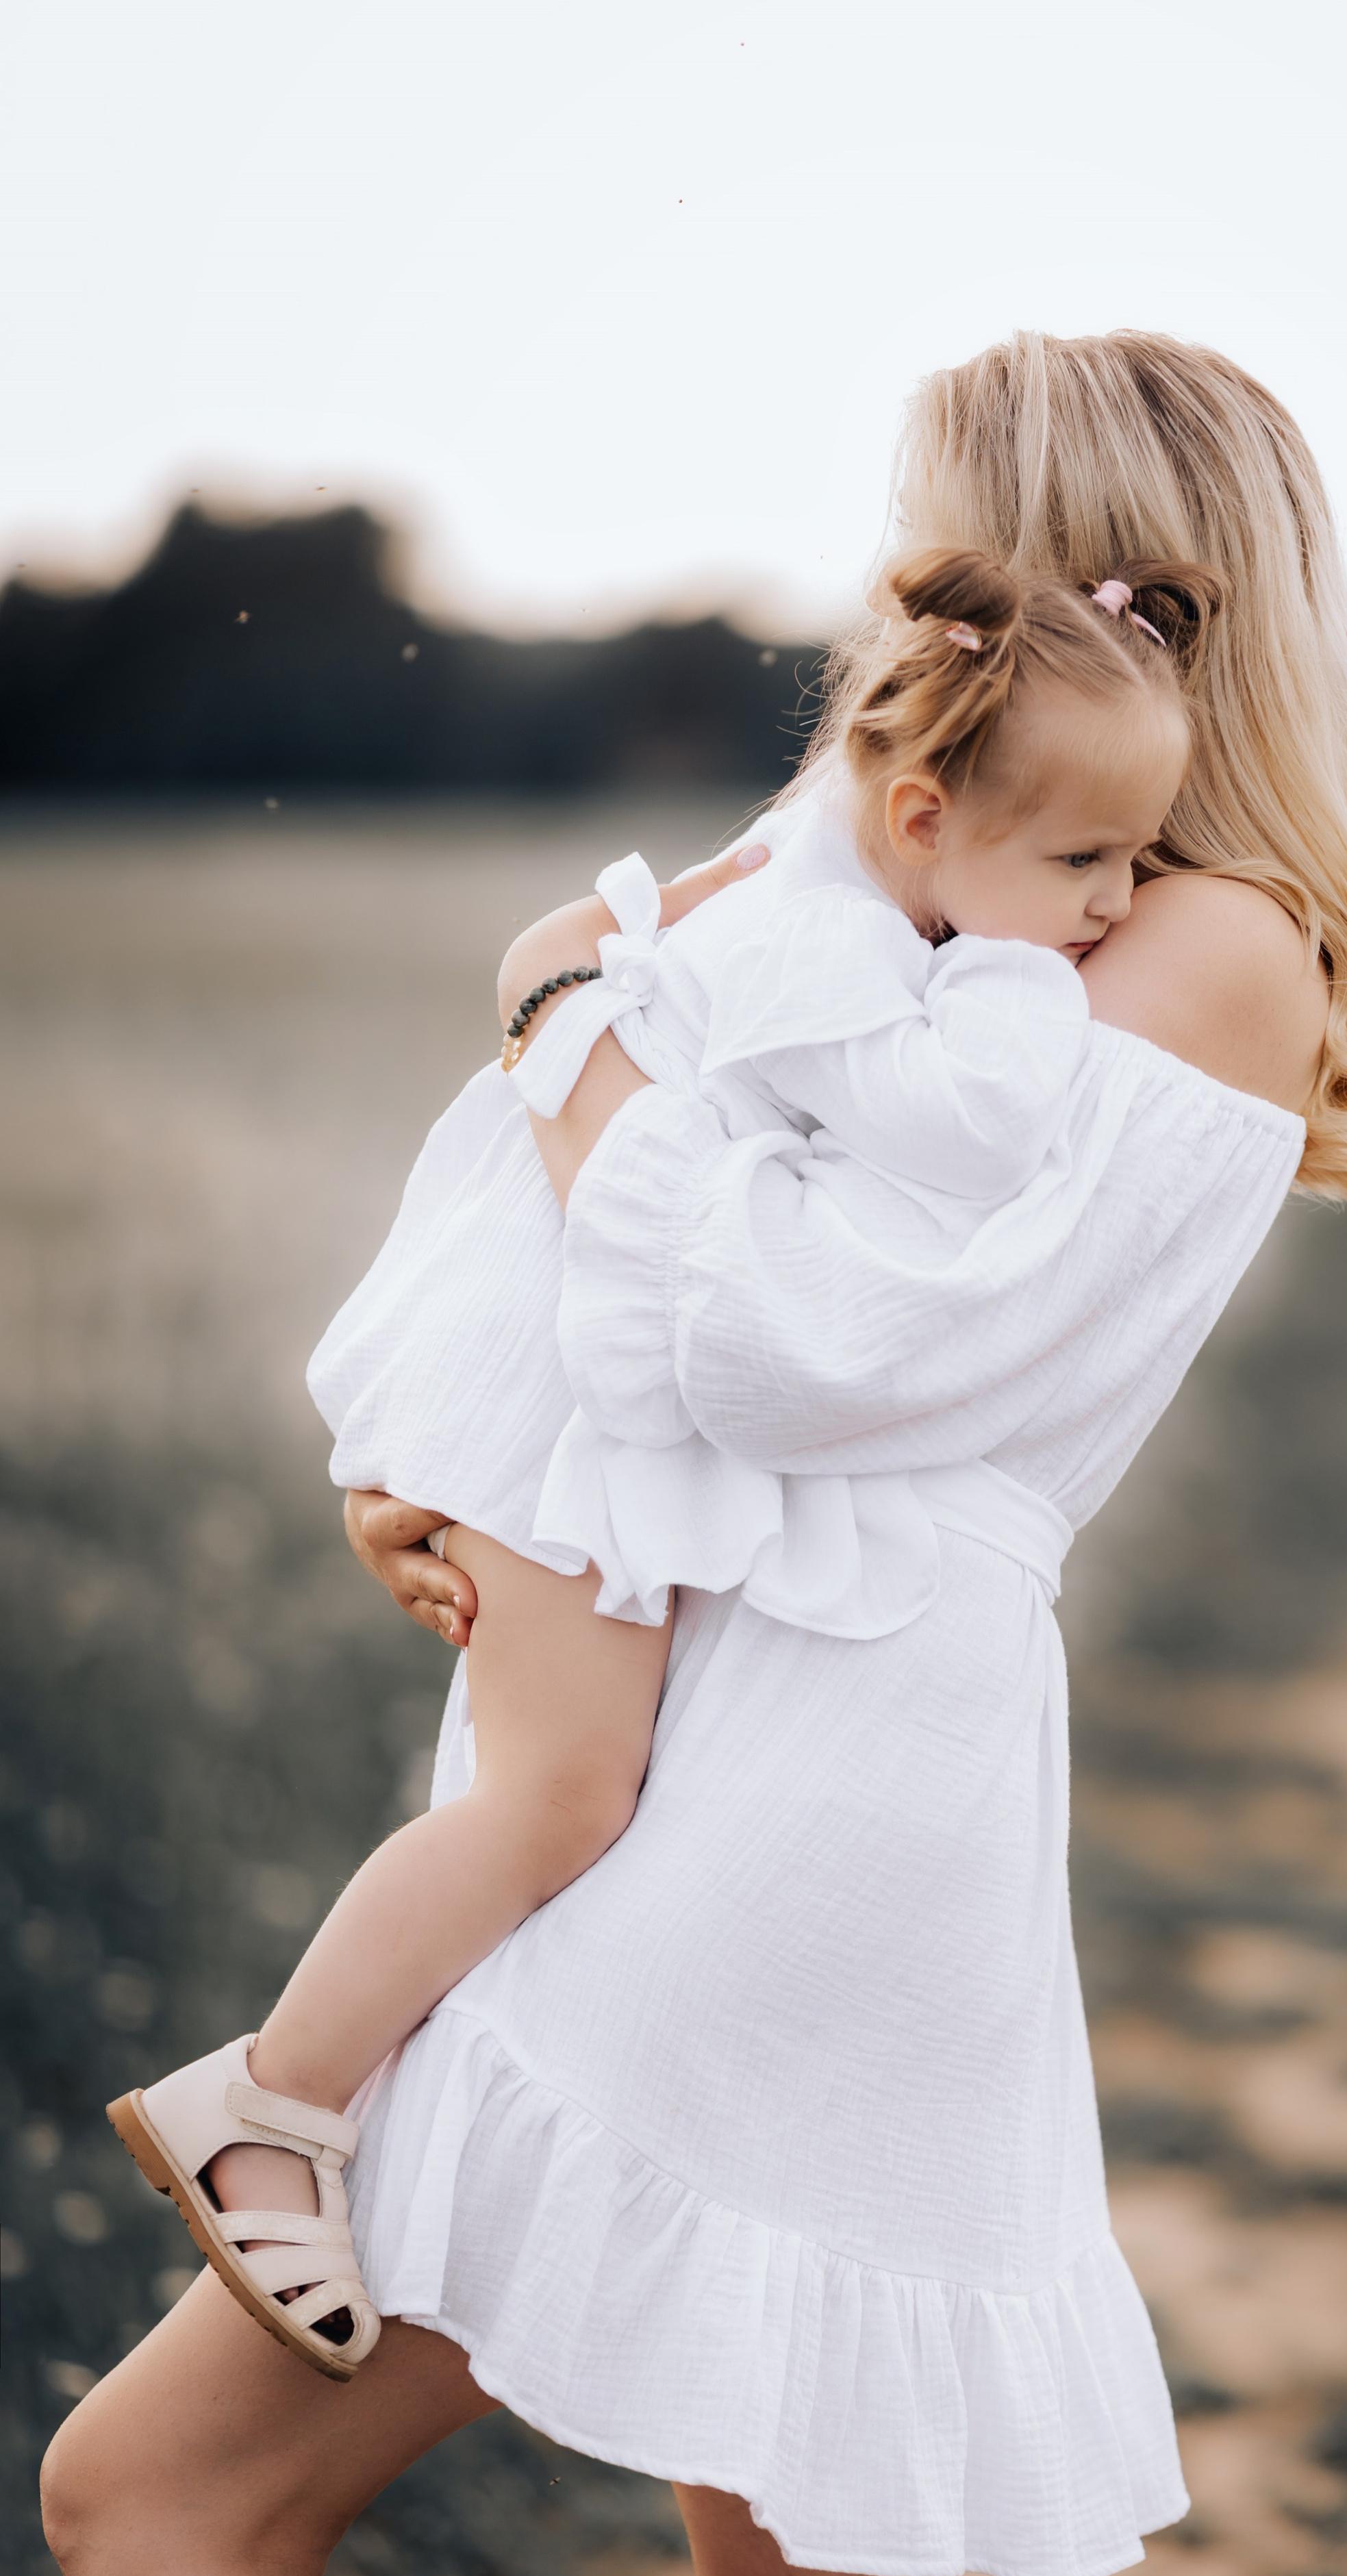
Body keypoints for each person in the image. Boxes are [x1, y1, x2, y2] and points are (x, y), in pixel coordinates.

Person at [44, 329, 1347, 2576]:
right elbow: (656, 1120)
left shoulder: (1194, 941)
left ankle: (269, 2099)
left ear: (1088, 577)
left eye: (941, 547)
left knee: (162, 2504)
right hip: (744, 1722)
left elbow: (788, 1340)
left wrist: (559, 1031)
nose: (899, 603)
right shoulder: (937, 882)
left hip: (797, 1785)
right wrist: (460, 1454)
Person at [104, 547, 1212, 2379]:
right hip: (559, 1401)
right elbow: (960, 1131)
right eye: (1088, 859)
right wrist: (1010, 990)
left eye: (1139, 860)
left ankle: (304, 2100)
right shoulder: (845, 957)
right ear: (925, 818)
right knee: (558, 1799)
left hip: (571, 1386)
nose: (1118, 902)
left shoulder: (839, 887)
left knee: (564, 1790)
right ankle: (272, 2103)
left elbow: (595, 974)